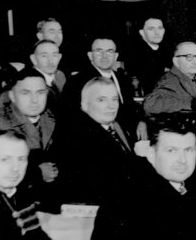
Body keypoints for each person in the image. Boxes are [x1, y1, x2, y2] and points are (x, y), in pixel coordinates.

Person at [57, 77, 138, 206]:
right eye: (102, 100)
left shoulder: (116, 127)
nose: (111, 106)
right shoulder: (77, 139)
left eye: (115, 99)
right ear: (84, 105)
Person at [0, 68, 60, 198]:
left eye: (40, 92)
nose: (35, 100)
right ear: (12, 96)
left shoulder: (52, 117)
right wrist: (37, 173)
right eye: (25, 93)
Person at [65, 37, 145, 139]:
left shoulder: (123, 79)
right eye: (99, 51)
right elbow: (72, 117)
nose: (104, 56)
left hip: (125, 138)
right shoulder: (77, 82)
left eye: (109, 51)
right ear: (90, 55)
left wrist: (141, 122)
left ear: (116, 56)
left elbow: (130, 108)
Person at [143, 42, 196, 115]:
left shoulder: (194, 78)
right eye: (189, 57)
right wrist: (190, 104)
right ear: (176, 61)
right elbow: (150, 104)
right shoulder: (169, 80)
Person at [127, 16, 172, 95]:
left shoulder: (168, 52)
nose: (157, 32)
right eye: (151, 29)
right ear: (142, 32)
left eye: (160, 28)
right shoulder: (135, 54)